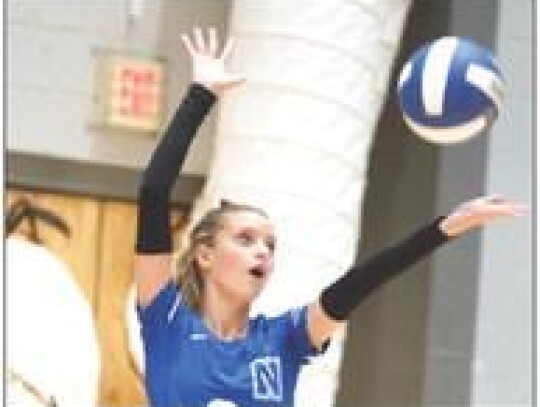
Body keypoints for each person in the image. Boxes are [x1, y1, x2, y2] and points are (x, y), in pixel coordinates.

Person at [134, 27, 524, 407]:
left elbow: (360, 282)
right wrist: (201, 93)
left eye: (270, 244)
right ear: (205, 255)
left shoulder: (283, 339)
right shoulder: (166, 321)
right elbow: (153, 194)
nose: (263, 252)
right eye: (245, 239)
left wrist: (445, 228)